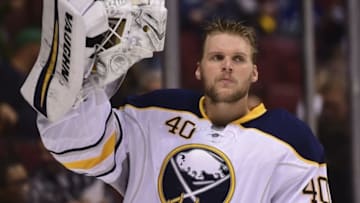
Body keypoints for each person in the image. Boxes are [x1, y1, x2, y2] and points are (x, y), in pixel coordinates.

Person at [22, 1, 331, 202]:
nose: (227, 66)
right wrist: (87, 81)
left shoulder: (292, 141)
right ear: (198, 68)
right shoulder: (154, 111)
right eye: (216, 57)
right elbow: (76, 149)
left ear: (254, 72)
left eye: (238, 59)